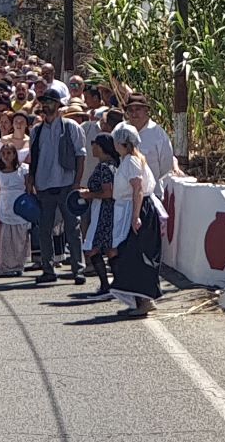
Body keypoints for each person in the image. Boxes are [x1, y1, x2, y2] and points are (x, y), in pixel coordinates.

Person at [26, 89, 87, 285]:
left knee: (72, 228)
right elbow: (33, 157)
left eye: (50, 102)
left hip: (66, 184)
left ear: (58, 105)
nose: (46, 105)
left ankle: (78, 269)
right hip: (43, 186)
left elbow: (80, 155)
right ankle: (48, 268)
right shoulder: (36, 130)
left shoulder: (71, 127)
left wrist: (77, 182)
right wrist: (31, 179)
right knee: (44, 229)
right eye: (44, 102)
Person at [108, 123, 162, 316]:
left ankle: (143, 300)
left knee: (133, 255)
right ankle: (141, 299)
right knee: (133, 254)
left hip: (135, 209)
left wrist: (135, 216)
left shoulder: (131, 161)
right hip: (132, 208)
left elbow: (137, 189)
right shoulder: (133, 160)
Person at [80, 134, 119, 300]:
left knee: (93, 247)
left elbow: (108, 192)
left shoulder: (105, 168)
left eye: (94, 144)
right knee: (109, 248)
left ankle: (106, 284)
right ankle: (115, 283)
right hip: (103, 209)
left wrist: (89, 194)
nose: (92, 147)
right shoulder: (110, 165)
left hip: (104, 210)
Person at [123, 93, 185, 193]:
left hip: (151, 194)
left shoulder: (158, 134)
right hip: (126, 196)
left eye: (138, 109)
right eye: (130, 110)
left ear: (146, 110)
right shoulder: (122, 131)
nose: (134, 114)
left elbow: (166, 165)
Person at [0, 142, 28, 276]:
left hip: (20, 207)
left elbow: (29, 188)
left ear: (14, 154)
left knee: (20, 237)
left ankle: (18, 265)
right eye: (3, 153)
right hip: (4, 206)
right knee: (4, 238)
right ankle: (5, 266)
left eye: (9, 153)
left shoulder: (23, 169)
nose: (6, 156)